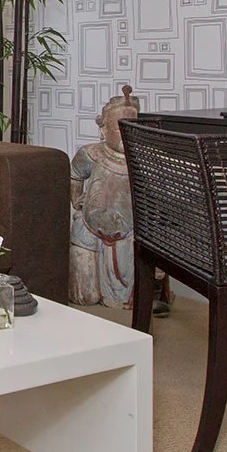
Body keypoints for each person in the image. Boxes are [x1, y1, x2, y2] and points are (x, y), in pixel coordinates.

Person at [69, 85, 171, 315]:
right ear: (103, 129)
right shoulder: (91, 153)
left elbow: (155, 199)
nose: (125, 133)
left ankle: (135, 296)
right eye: (119, 127)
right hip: (89, 230)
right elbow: (75, 174)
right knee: (84, 295)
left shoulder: (144, 160)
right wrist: (76, 200)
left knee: (121, 294)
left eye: (132, 127)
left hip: (127, 232)